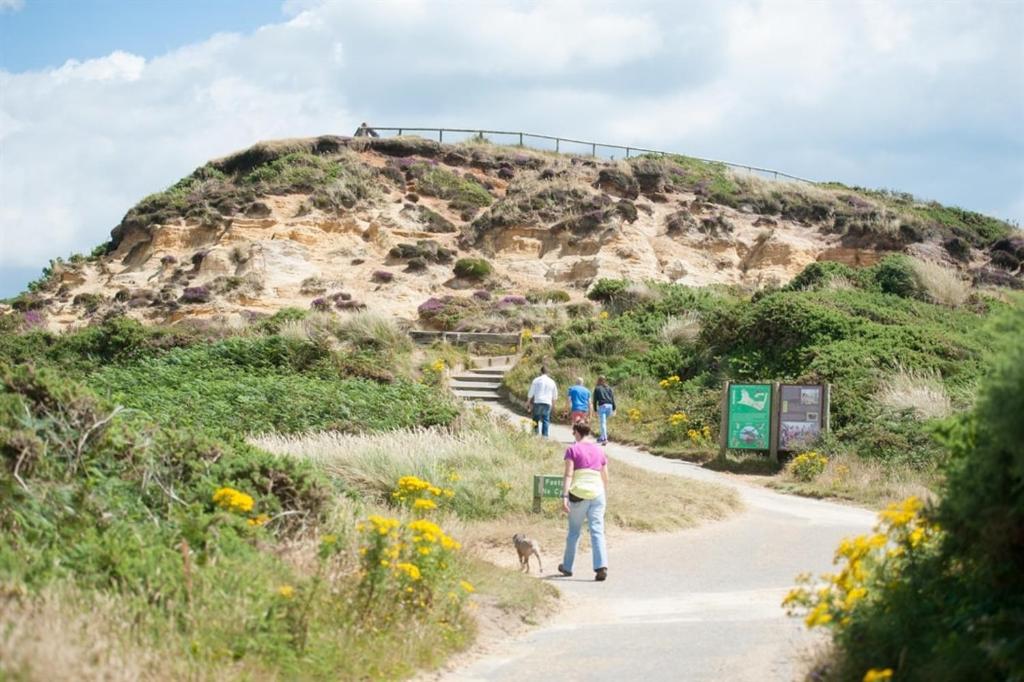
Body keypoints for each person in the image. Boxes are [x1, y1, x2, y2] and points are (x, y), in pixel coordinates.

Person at [558, 422, 609, 581]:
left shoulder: (572, 449)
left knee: (574, 531)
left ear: (576, 433)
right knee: (597, 530)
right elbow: (605, 477)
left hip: (579, 493)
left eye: (573, 433)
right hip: (597, 493)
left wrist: (565, 496)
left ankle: (567, 567)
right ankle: (601, 566)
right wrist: (602, 492)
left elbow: (568, 475)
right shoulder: (599, 450)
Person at [525, 365, 558, 438]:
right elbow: (555, 395)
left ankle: (535, 435)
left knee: (535, 418)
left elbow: (531, 392)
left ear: (540, 372)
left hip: (538, 401)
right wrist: (554, 405)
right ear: (548, 372)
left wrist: (528, 402)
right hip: (547, 402)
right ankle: (544, 436)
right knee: (546, 419)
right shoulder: (552, 382)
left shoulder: (536, 380)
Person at [592, 376, 616, 444]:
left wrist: (595, 410)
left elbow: (595, 400)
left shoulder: (597, 388)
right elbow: (612, 398)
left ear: (598, 380)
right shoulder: (609, 388)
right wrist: (614, 408)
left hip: (603, 406)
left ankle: (604, 438)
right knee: (603, 423)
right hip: (610, 406)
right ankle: (601, 437)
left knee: (603, 423)